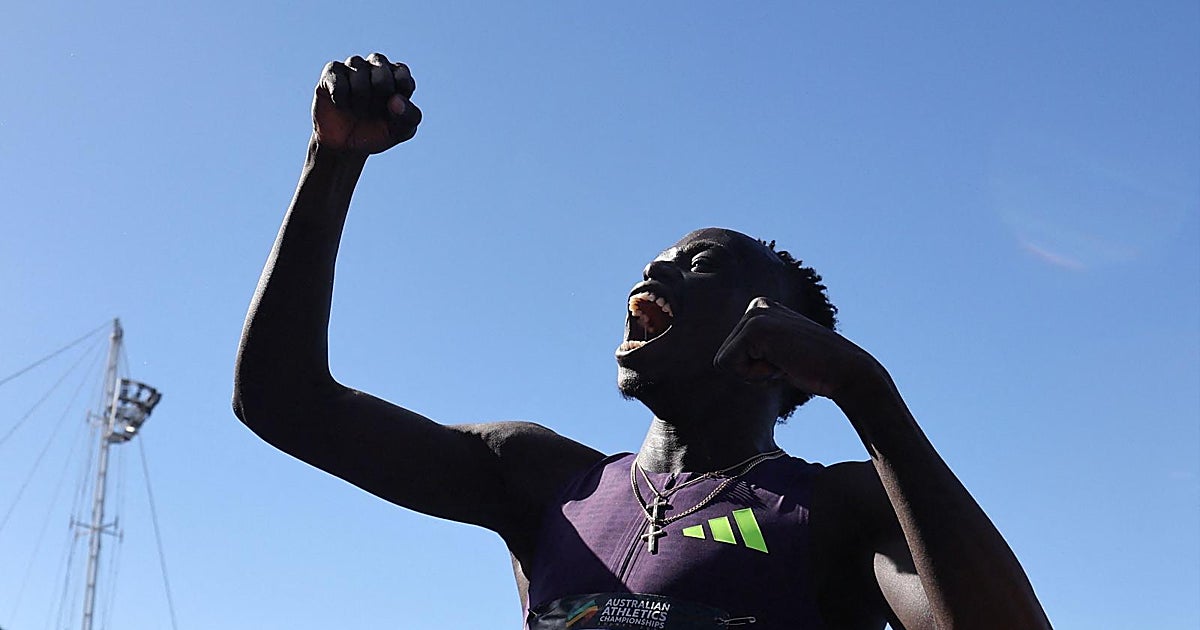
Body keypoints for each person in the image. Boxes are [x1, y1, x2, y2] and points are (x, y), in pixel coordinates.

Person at [233, 53, 1052, 630]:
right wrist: (330, 164)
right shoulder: (538, 478)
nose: (660, 267)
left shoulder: (837, 509)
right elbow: (281, 400)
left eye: (701, 264)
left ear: (771, 330)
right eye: (658, 259)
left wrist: (867, 394)